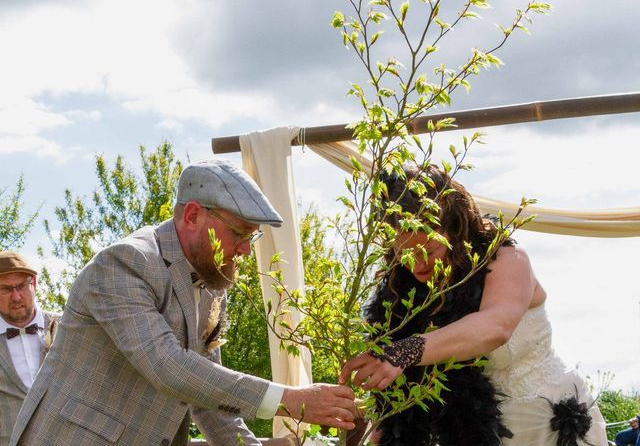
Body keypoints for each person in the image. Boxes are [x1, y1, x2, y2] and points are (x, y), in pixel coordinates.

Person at [10, 158, 356, 446]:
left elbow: (209, 399)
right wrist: (290, 400)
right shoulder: (124, 263)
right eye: (238, 233)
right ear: (192, 216)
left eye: (252, 237)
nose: (246, 250)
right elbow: (168, 367)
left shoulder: (211, 282)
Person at [339, 164, 607, 446]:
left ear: (453, 230)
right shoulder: (400, 290)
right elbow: (398, 402)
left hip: (546, 424)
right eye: (405, 253)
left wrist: (406, 350)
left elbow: (496, 326)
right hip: (465, 431)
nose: (418, 264)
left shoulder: (505, 258)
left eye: (429, 251)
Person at [0, 251, 58, 446]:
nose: (16, 296)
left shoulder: (68, 327)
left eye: (21, 286)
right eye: (6, 289)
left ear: (34, 284)